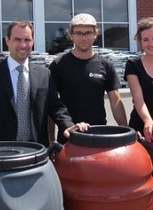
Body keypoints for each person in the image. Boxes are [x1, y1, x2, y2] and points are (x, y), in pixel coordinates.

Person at [0, 20, 87, 146]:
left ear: (32, 41)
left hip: (36, 150)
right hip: (0, 152)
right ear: (8, 41)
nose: (23, 45)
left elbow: (56, 106)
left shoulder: (44, 74)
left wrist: (67, 126)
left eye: (27, 40)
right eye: (17, 40)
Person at [49, 13, 128, 142]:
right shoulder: (58, 65)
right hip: (68, 136)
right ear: (72, 35)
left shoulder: (105, 65)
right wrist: (51, 140)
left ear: (95, 34)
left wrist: (125, 131)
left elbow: (115, 101)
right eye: (79, 33)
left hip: (99, 134)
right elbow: (51, 104)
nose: (83, 37)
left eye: (88, 33)